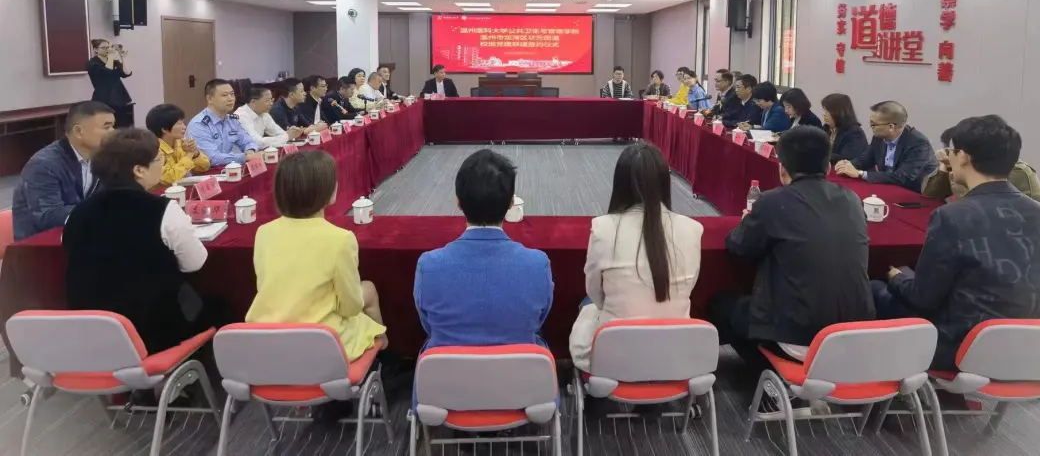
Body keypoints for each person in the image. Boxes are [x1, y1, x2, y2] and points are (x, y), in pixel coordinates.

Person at [872, 115, 1040, 369]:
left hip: (967, 347)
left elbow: (923, 299)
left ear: (963, 156)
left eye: (952, 151)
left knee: (876, 288)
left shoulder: (952, 217)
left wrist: (896, 277)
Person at [711, 126, 874, 370]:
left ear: (782, 168)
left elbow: (739, 246)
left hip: (798, 337)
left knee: (722, 305)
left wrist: (748, 222)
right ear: (828, 168)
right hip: (855, 332)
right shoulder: (852, 199)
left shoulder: (773, 201)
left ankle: (768, 376)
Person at [63, 128, 210, 353]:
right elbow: (195, 263)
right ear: (139, 170)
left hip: (92, 328)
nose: (162, 165)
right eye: (159, 160)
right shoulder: (163, 210)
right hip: (151, 329)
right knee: (219, 307)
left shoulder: (77, 213)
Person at [569, 143, 702, 370]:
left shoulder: (602, 228)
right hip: (673, 352)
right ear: (665, 183)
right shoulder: (693, 229)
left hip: (614, 355)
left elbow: (595, 292)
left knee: (588, 304)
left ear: (620, 184)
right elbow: (689, 287)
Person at [247, 150, 386, 361]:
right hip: (323, 344)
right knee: (368, 293)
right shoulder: (341, 239)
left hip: (267, 339)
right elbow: (350, 307)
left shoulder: (263, 232)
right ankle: (383, 355)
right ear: (327, 192)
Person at [414, 149, 553, 350]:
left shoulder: (428, 266)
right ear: (511, 203)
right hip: (519, 368)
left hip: (448, 368)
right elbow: (537, 322)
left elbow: (429, 326)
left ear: (458, 202)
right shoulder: (538, 265)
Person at [12, 101, 115, 240]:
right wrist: (100, 212)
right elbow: (48, 215)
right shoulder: (44, 165)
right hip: (40, 244)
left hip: (82, 236)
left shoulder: (102, 158)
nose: (113, 132)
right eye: (106, 127)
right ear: (78, 131)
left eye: (113, 126)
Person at [922, 124, 1040, 204]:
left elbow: (980, 205)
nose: (947, 153)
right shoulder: (966, 166)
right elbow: (931, 194)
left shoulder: (1013, 171)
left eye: (952, 150)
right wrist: (944, 167)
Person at [834, 101, 937, 192]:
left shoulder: (918, 143)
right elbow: (866, 159)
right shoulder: (879, 137)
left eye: (874, 124)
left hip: (914, 193)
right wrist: (848, 164)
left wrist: (860, 174)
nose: (871, 127)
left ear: (891, 127)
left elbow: (902, 177)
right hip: (888, 187)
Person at [187, 79, 260, 167]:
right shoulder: (199, 125)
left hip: (228, 169)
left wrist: (250, 151)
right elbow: (211, 158)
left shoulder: (232, 120)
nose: (230, 99)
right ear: (209, 99)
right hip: (207, 172)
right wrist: (244, 157)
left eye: (232, 94)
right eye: (224, 95)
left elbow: (248, 141)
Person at [145, 103, 211, 185]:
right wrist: (189, 155)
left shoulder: (180, 143)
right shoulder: (154, 150)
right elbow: (168, 179)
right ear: (164, 129)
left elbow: (204, 167)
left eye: (183, 123)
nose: (184, 127)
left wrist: (195, 153)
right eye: (179, 123)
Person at [236, 85, 303, 149]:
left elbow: (279, 132)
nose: (271, 103)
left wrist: (289, 133)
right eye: (267, 100)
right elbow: (257, 142)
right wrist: (287, 136)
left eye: (271, 100)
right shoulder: (241, 116)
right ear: (253, 102)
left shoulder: (264, 113)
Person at [87, 38, 134, 128]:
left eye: (108, 47)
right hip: (104, 99)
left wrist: (122, 58)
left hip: (120, 98)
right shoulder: (92, 63)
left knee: (122, 126)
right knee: (107, 126)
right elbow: (107, 72)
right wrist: (111, 57)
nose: (107, 50)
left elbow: (126, 73)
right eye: (103, 48)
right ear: (96, 50)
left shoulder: (113, 62)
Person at [820, 93, 869, 164]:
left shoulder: (854, 132)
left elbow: (847, 158)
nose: (824, 114)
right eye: (824, 110)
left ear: (839, 112)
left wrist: (820, 155)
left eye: (827, 111)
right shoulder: (826, 128)